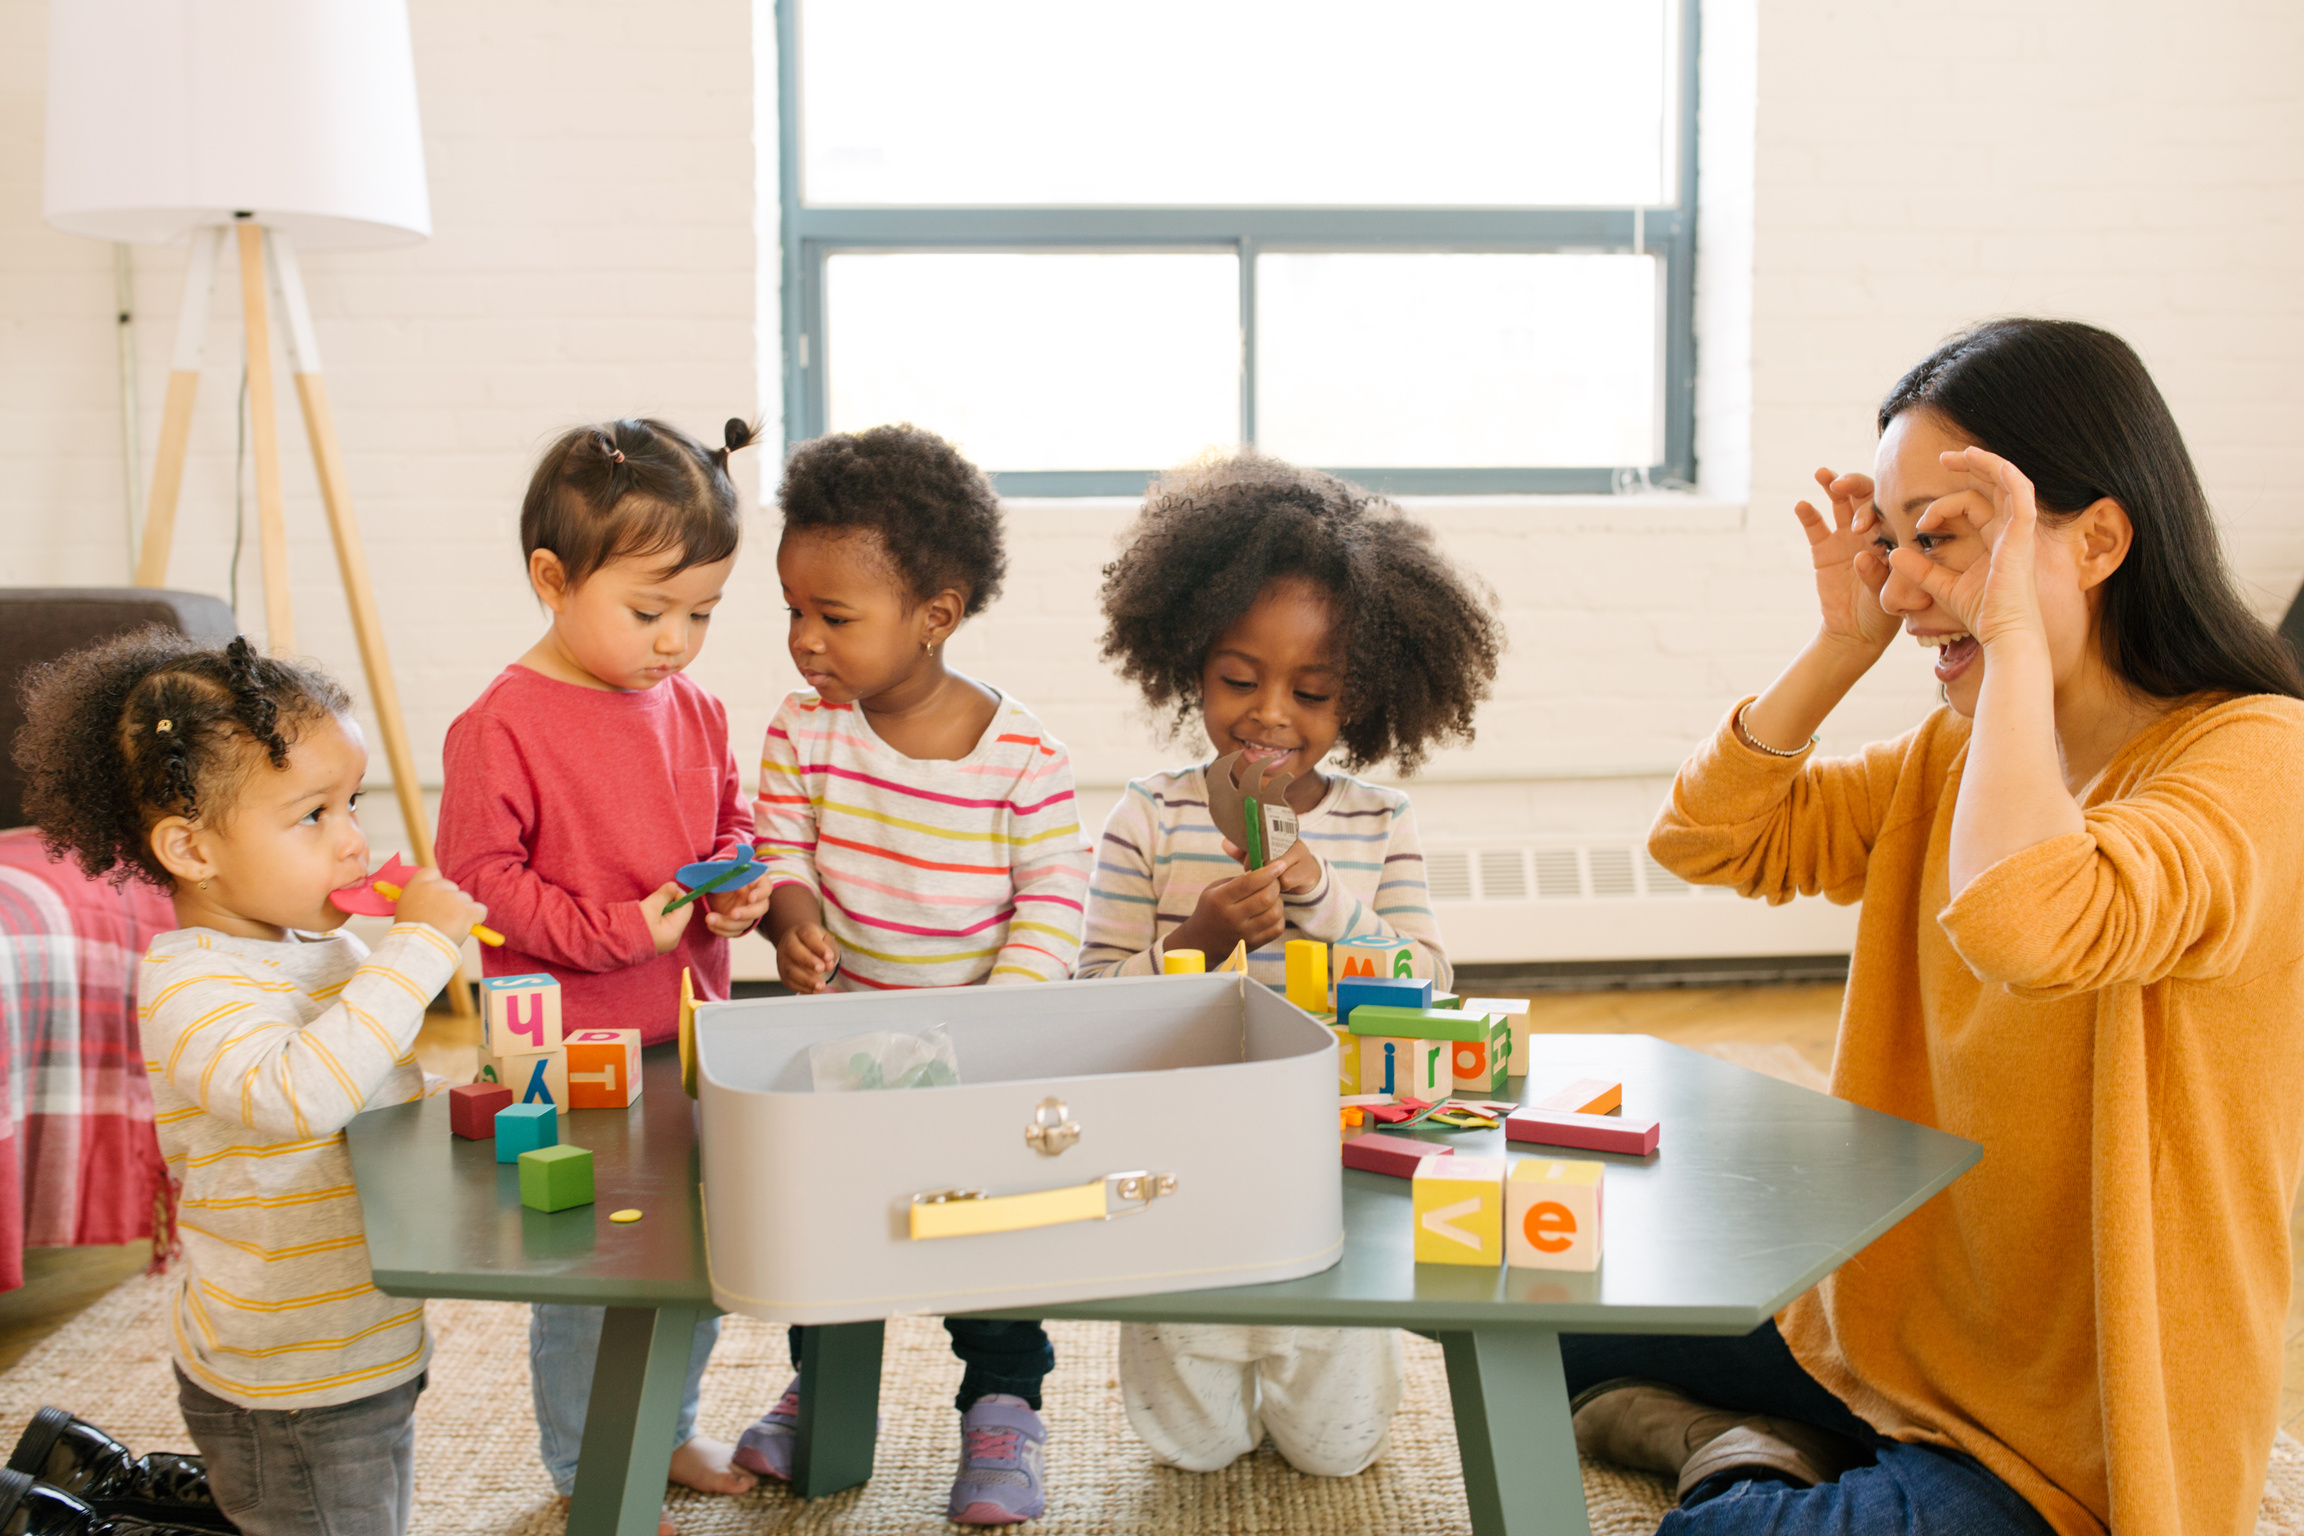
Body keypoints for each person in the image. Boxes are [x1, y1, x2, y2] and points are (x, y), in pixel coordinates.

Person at [1582, 318, 2304, 1534]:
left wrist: (2010, 637)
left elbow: (2033, 919)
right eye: (1891, 541)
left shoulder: (2259, 763)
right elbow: (1713, 839)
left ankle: (1738, 1456)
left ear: (2102, 540)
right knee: (1545, 1302)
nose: (1904, 582)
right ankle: (1776, 1429)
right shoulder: (1953, 749)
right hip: (1898, 1326)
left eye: (1945, 538)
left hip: (2073, 1426)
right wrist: (1841, 645)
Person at [1082, 451, 1502, 1475]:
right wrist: (1197, 943)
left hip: (1336, 1145)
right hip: (1187, 1145)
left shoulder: (1378, 821)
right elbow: (1089, 1005)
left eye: (1312, 691)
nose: (1271, 715)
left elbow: (1427, 984)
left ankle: (1318, 1371)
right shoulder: (1148, 817)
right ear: (1189, 664)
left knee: (1337, 1448)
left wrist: (1316, 892)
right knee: (1191, 1445)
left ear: (1360, 700)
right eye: (1239, 679)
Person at [13, 631, 486, 1536]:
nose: (354, 842)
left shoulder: (327, 948)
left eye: (352, 804)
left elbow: (377, 1091)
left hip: (362, 1339)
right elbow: (301, 1094)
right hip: (289, 1377)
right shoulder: (194, 986)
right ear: (191, 849)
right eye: (314, 815)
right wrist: (420, 952)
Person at [729, 424, 1088, 1526]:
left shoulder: (1021, 757)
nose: (805, 639)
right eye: (793, 608)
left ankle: (1003, 1408)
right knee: (839, 1229)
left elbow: (1054, 909)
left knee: (983, 1235)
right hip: (845, 1047)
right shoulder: (804, 730)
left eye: (835, 616)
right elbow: (780, 846)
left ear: (937, 612)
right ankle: (827, 1388)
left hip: (981, 1058)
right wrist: (790, 919)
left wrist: (992, 1026)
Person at [434, 417, 771, 1530]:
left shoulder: (699, 708)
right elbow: (479, 886)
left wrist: (740, 891)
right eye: (648, 612)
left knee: (698, 1252)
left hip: (693, 1033)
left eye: (703, 614)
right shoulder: (501, 726)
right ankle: (591, 1464)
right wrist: (625, 929)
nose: (678, 641)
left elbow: (730, 822)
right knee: (589, 1269)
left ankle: (662, 1429)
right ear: (551, 579)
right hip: (565, 1053)